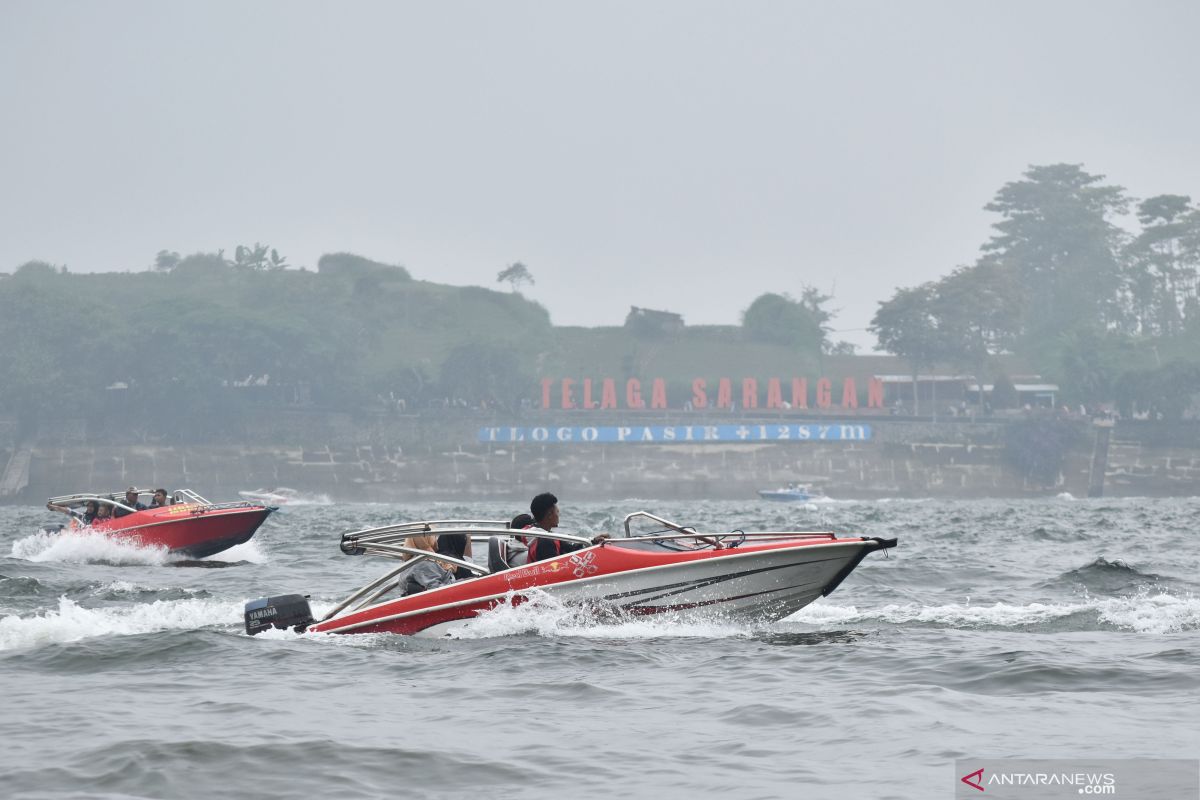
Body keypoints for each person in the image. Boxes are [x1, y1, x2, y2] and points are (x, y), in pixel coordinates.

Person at [525, 492, 609, 562]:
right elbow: (553, 571)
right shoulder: (545, 542)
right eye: (557, 512)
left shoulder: (545, 535)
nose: (558, 515)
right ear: (550, 514)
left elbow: (571, 549)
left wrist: (593, 541)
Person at [401, 530, 457, 595]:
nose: (436, 539)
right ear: (426, 539)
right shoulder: (425, 563)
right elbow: (436, 589)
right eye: (432, 536)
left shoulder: (410, 562)